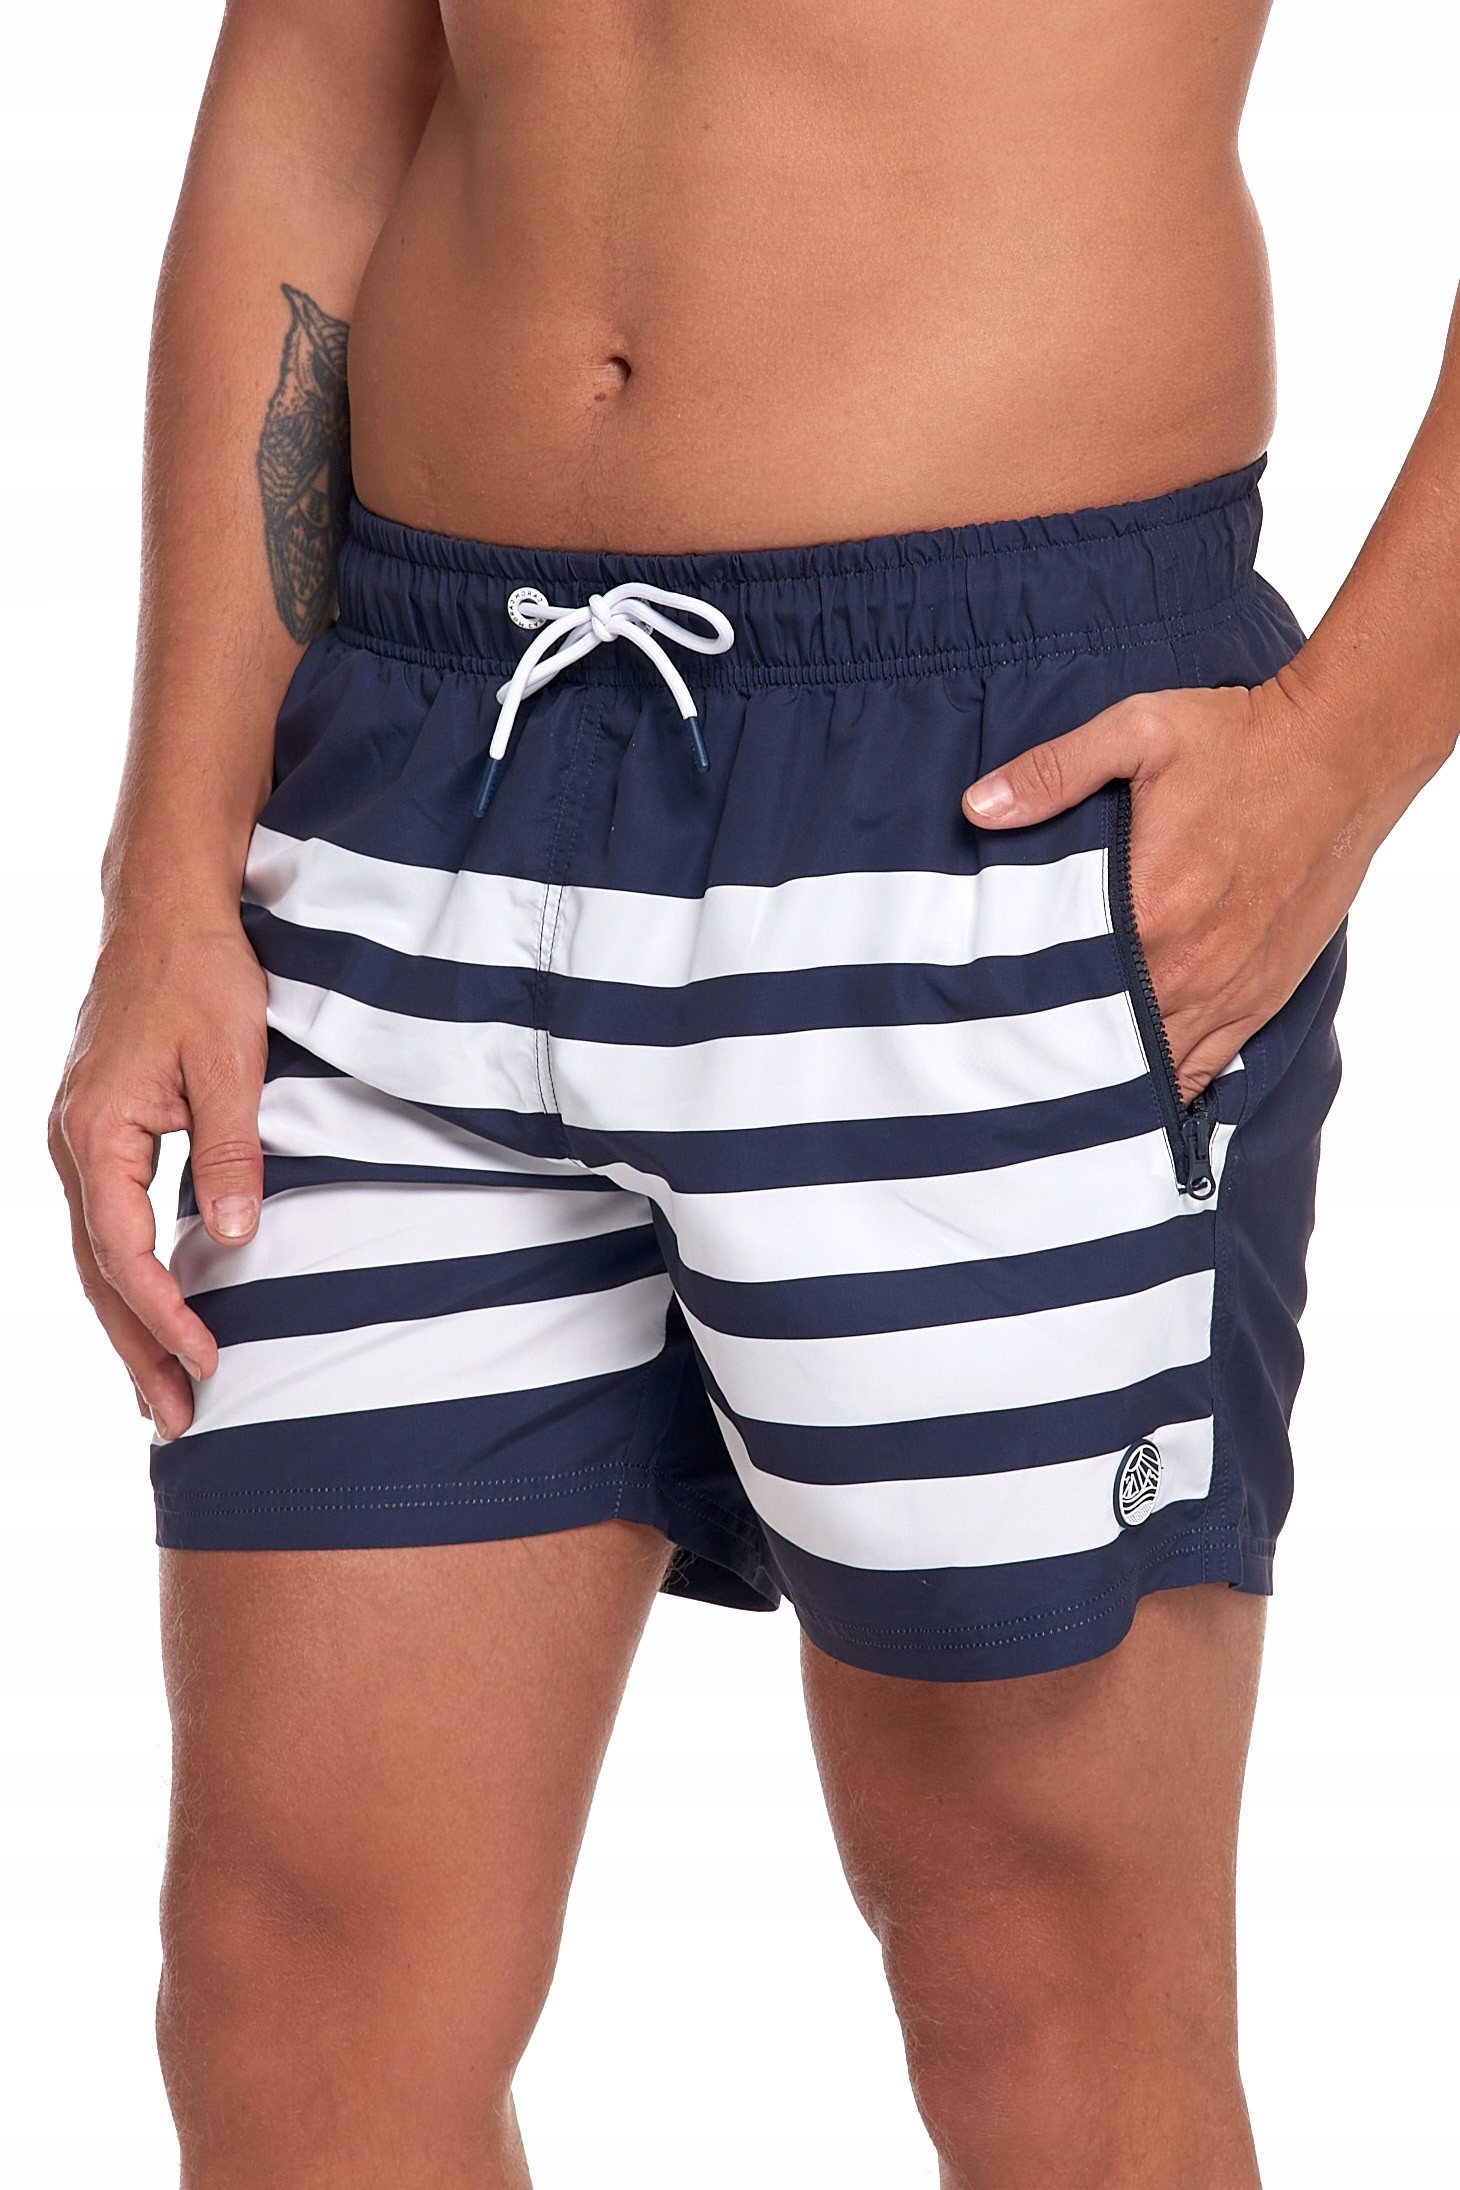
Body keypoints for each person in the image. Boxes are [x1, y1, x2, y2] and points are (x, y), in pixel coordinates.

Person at [47, 3, 1458, 2183]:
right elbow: (318, 94)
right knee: (287, 1985)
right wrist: (166, 874)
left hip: (989, 788)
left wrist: (1343, 755)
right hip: (412, 768)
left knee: (1037, 1977)